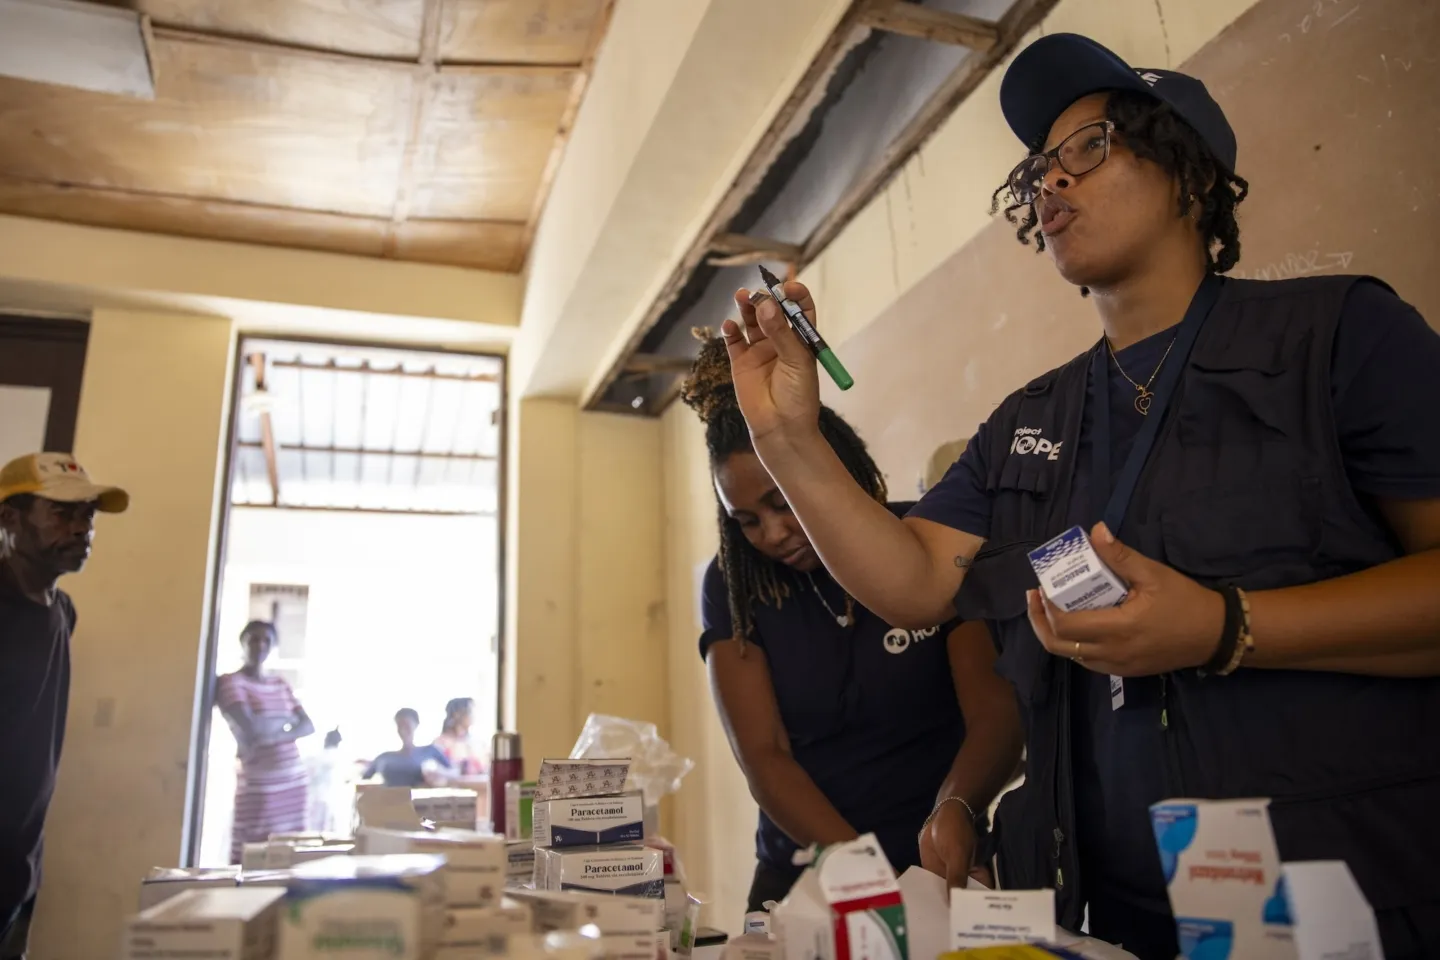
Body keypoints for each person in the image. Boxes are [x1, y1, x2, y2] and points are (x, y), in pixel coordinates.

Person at [718, 33, 1440, 960]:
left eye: (1088, 149)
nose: (1050, 184)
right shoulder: (1034, 418)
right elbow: (910, 583)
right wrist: (787, 437)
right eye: (1038, 171)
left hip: (1353, 900)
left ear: (1190, 176)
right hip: (1121, 917)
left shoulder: (1338, 338)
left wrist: (1230, 626)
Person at [681, 334, 1023, 913]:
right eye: (746, 521)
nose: (771, 534)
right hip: (811, 874)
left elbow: (993, 711)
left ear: (825, 465)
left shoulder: (924, 543)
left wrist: (959, 807)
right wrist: (860, 874)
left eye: (781, 501)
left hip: (942, 864)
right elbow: (764, 755)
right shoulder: (736, 588)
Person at [0, 453, 126, 960]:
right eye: (62, 513)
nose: (82, 529)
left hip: (22, 858)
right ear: (10, 519)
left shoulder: (62, 611)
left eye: (88, 515)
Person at [216, 621, 315, 864]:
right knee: (252, 854)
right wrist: (287, 723)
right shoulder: (231, 682)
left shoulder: (279, 683)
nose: (260, 645)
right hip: (259, 785)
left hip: (293, 783)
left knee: (288, 854)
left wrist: (273, 730)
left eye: (266, 640)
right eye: (254, 639)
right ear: (243, 642)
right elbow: (252, 730)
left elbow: (308, 725)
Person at [363, 709, 451, 788]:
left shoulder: (430, 751)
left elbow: (454, 772)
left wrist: (439, 775)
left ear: (416, 725)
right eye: (399, 726)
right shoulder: (384, 757)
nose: (403, 731)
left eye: (407, 726)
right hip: (389, 802)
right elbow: (364, 780)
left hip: (420, 802)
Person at [432, 697, 485, 777]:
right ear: (456, 714)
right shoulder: (440, 743)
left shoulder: (477, 744)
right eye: (470, 711)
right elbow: (437, 772)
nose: (473, 716)